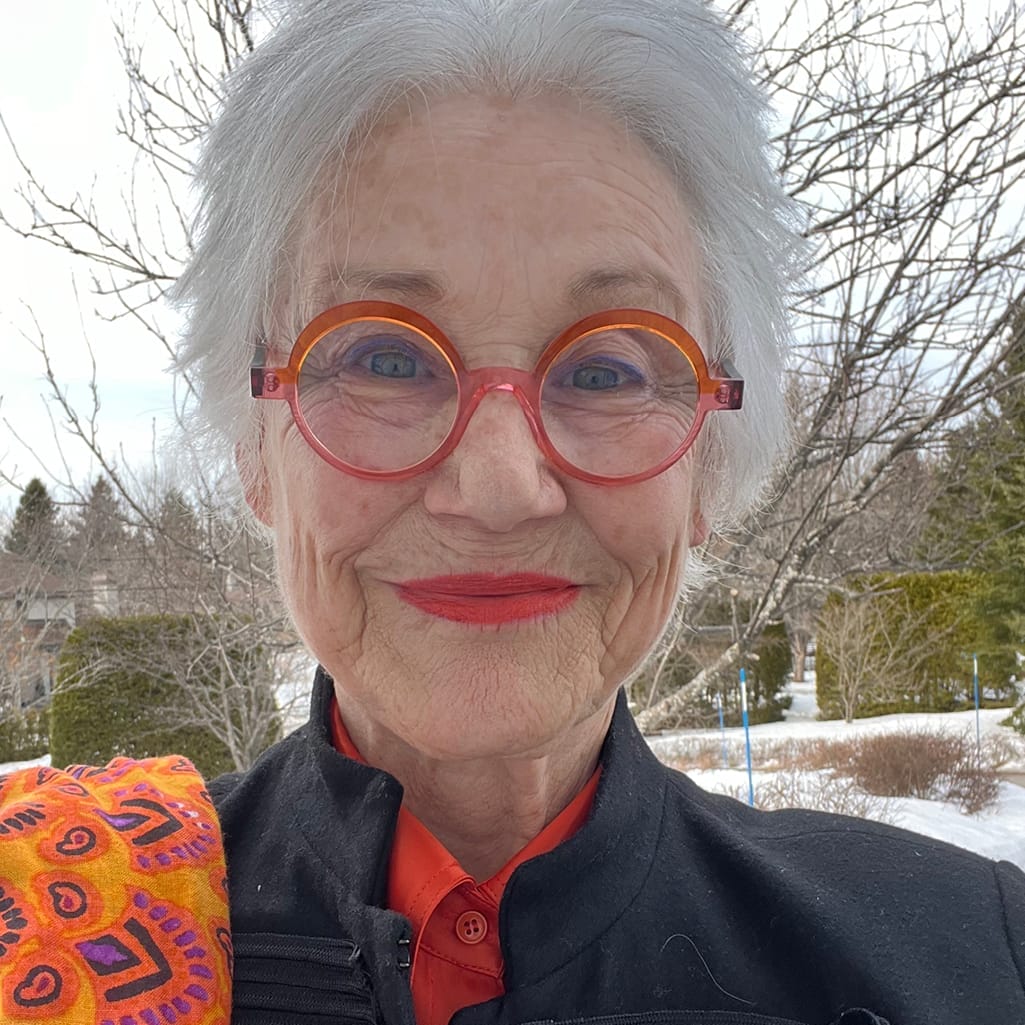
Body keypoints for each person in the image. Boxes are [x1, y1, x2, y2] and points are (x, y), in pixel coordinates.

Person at [2, 2, 1022, 1024]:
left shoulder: (971, 959)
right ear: (252, 447)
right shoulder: (38, 926)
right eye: (384, 358)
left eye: (605, 369)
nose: (498, 486)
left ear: (706, 466)